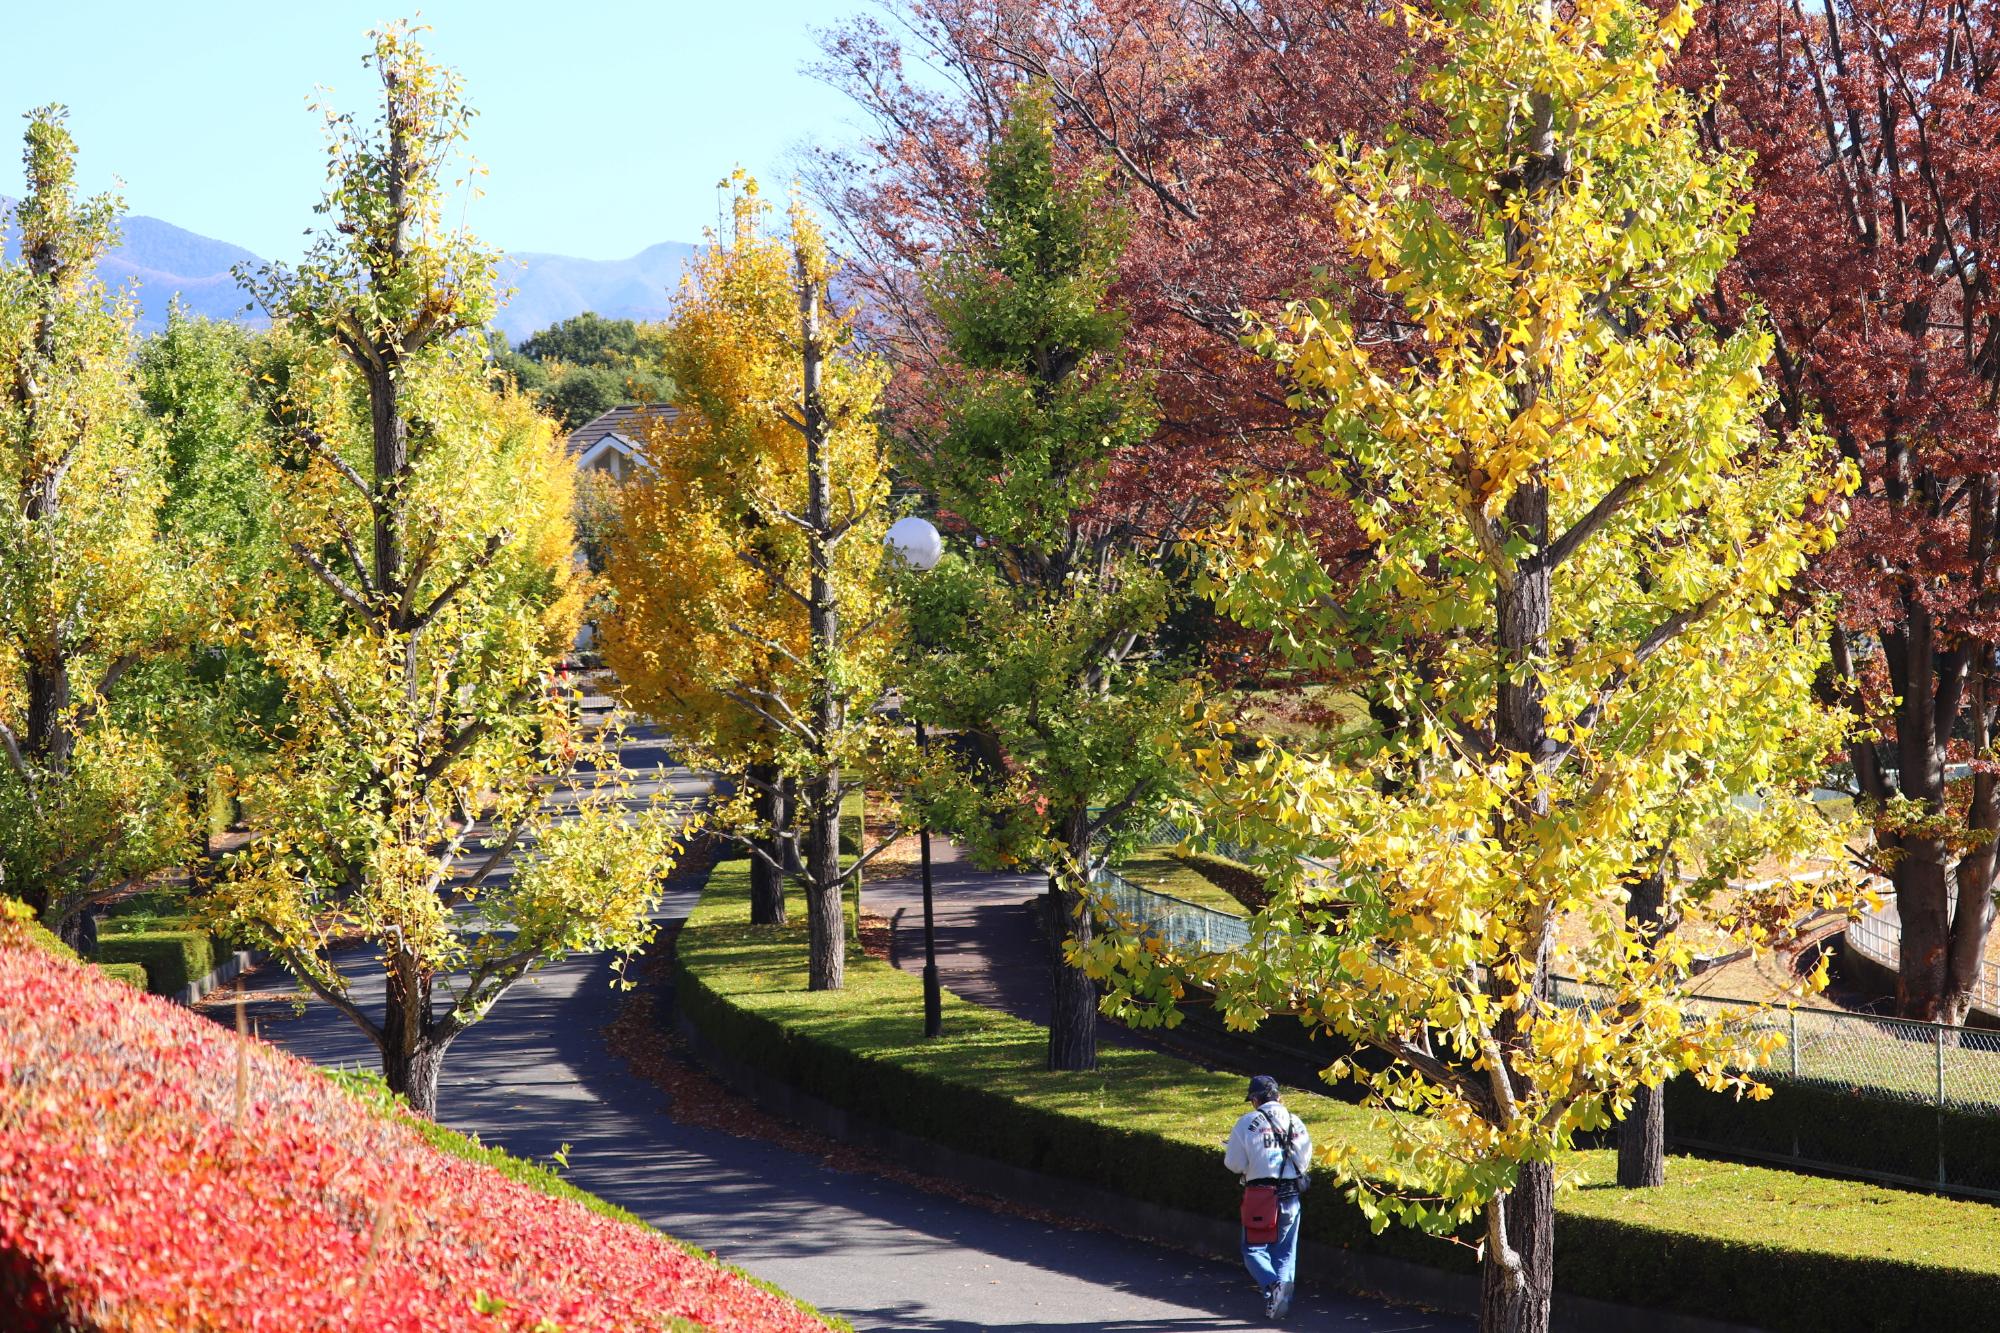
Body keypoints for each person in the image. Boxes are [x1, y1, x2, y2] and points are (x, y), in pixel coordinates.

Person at [1224, 1073, 1311, 1321]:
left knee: (1252, 1249)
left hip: (1260, 1196)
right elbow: (1304, 1160)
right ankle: (1280, 1302)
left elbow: (1234, 1163)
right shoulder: (1297, 1122)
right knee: (1285, 1252)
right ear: (1279, 1096)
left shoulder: (1246, 1122)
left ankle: (1273, 1286)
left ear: (1254, 1099)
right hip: (1292, 1194)